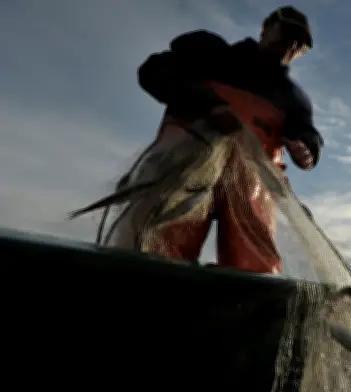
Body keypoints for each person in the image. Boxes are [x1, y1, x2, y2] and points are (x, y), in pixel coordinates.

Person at [72, 6, 323, 275]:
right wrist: (209, 105)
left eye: (300, 45)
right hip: (185, 166)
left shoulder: (294, 100)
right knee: (158, 241)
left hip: (251, 185)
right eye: (287, 33)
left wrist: (307, 149)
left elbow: (308, 134)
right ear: (266, 28)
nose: (291, 45)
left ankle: (247, 296)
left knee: (253, 259)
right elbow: (154, 71)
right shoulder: (211, 54)